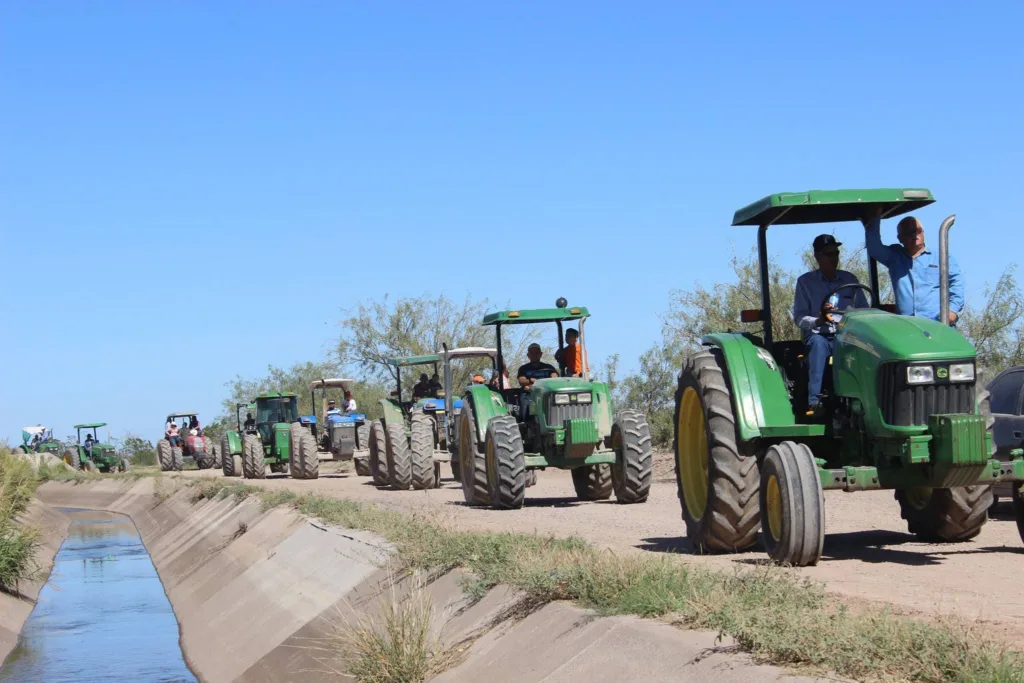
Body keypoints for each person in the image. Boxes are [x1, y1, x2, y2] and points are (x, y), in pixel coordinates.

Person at [793, 234, 868, 415]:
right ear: (817, 257)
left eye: (836, 253)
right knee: (818, 344)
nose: (834, 258)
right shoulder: (805, 282)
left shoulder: (849, 279)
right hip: (820, 334)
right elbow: (799, 317)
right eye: (828, 254)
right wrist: (819, 319)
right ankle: (815, 402)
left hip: (846, 335)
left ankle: (863, 401)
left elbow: (864, 311)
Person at [863, 209, 964, 325]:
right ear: (899, 238)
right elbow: (874, 248)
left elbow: (957, 284)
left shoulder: (942, 257)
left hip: (938, 324)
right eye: (909, 232)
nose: (915, 235)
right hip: (908, 327)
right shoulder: (895, 256)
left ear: (923, 233)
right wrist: (875, 217)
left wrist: (952, 311)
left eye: (918, 231)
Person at [516, 343, 558, 418]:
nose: (534, 355)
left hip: (546, 393)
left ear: (540, 354)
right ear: (528, 355)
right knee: (524, 402)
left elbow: (555, 376)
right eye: (531, 353)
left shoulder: (549, 367)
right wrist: (531, 380)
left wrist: (552, 378)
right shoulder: (523, 368)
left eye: (536, 353)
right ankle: (525, 422)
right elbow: (521, 381)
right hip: (529, 393)